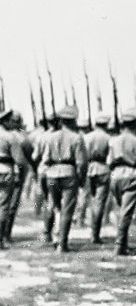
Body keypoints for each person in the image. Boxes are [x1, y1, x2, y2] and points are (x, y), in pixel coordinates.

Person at [39, 105, 88, 253]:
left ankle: (54, 236)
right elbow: (82, 162)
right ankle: (62, 243)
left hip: (52, 173)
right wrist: (81, 179)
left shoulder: (51, 137)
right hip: (69, 173)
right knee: (67, 209)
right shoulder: (77, 138)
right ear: (73, 121)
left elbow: (45, 159)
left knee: (56, 207)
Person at [108, 109, 136, 255]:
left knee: (121, 212)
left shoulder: (113, 141)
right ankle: (119, 245)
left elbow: (109, 162)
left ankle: (123, 243)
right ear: (134, 124)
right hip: (132, 175)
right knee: (126, 213)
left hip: (115, 176)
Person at [0, 109, 28, 248]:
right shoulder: (11, 137)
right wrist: (22, 176)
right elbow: (21, 161)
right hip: (6, 171)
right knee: (4, 206)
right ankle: (2, 238)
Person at [84, 112, 112, 244]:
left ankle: (92, 230)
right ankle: (95, 234)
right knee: (100, 203)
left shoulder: (86, 137)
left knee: (91, 201)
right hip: (103, 168)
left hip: (89, 168)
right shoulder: (109, 138)